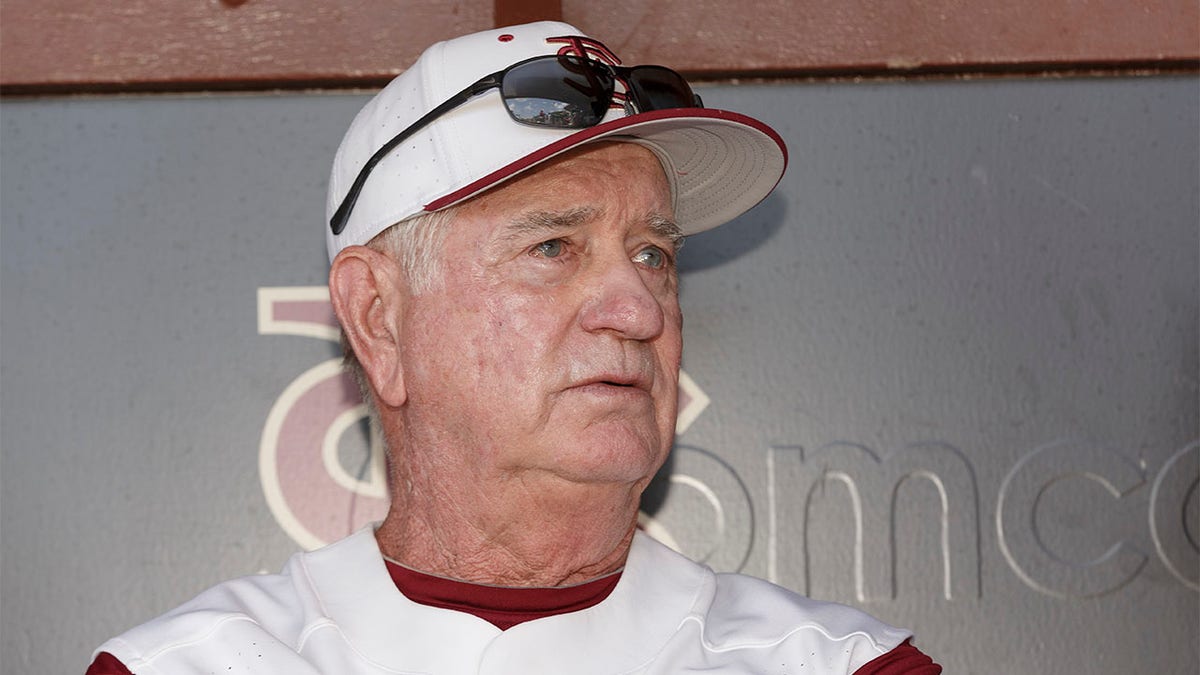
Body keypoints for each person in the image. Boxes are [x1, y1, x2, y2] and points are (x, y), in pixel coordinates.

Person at [88, 21, 941, 674]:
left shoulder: (845, 666)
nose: (638, 308)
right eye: (553, 248)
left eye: (654, 253)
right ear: (380, 319)